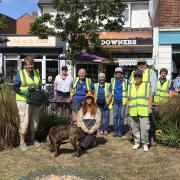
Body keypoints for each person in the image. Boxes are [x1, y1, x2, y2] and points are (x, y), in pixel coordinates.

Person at [13, 57, 41, 151]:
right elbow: (15, 88)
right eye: (28, 64)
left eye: (32, 64)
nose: (30, 66)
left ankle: (32, 140)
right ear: (25, 65)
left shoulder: (36, 73)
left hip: (35, 100)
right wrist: (23, 92)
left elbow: (39, 86)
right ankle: (22, 143)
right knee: (24, 120)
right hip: (23, 100)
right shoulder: (20, 74)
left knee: (35, 121)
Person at [127, 71, 152, 152]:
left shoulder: (146, 85)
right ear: (134, 77)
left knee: (144, 128)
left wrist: (150, 107)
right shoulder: (130, 86)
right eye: (136, 76)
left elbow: (150, 97)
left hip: (144, 111)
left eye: (139, 76)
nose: (137, 78)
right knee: (134, 128)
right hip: (133, 110)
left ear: (141, 77)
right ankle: (137, 142)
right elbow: (128, 98)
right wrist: (127, 108)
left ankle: (145, 143)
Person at [109, 67, 128, 137]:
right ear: (115, 74)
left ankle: (120, 130)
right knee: (115, 117)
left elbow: (128, 91)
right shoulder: (112, 81)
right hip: (115, 101)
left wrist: (127, 101)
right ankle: (115, 130)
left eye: (119, 73)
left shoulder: (126, 81)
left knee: (121, 117)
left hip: (123, 101)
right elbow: (110, 91)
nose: (118, 74)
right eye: (117, 73)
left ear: (122, 74)